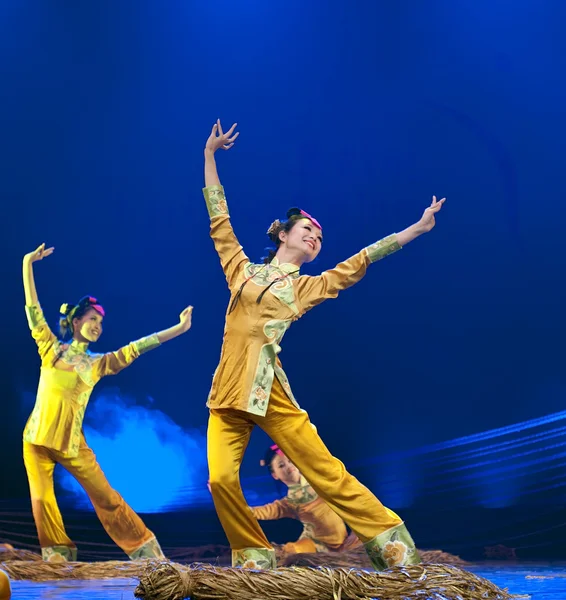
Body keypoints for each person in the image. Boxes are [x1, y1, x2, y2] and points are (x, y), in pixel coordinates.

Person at [203, 119, 445, 570]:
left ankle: (390, 540)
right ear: (283, 234)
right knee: (219, 480)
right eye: (307, 230)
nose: (315, 237)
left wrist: (414, 230)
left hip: (270, 392)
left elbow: (358, 263)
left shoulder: (306, 287)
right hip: (227, 393)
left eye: (319, 237)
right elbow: (220, 220)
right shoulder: (239, 269)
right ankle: (254, 552)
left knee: (325, 472)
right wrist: (210, 157)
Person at [22, 243, 193, 562]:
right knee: (42, 500)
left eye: (101, 324)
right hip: (35, 439)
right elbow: (33, 309)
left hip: (72, 444)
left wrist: (178, 329)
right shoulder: (50, 349)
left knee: (106, 498)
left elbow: (136, 347)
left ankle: (145, 550)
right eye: (92, 320)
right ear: (75, 322)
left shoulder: (98, 362)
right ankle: (57, 556)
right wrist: (27, 263)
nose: (98, 327)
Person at [251, 444, 363, 554]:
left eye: (290, 461)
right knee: (293, 550)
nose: (288, 466)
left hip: (344, 542)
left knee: (371, 530)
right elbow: (263, 511)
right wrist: (239, 510)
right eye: (281, 465)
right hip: (315, 544)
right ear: (275, 475)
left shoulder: (320, 482)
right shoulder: (288, 503)